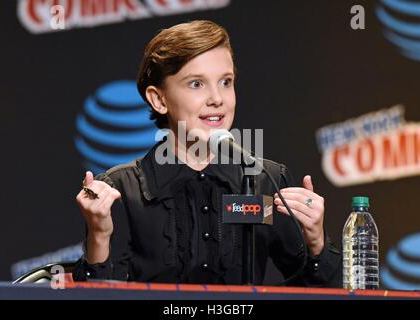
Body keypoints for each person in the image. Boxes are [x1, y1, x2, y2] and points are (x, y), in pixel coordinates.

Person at [72, 20, 342, 286]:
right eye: (196, 84)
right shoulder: (121, 191)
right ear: (159, 99)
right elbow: (100, 295)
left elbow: (316, 291)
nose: (217, 98)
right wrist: (99, 235)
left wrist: (317, 242)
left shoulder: (264, 181)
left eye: (226, 82)